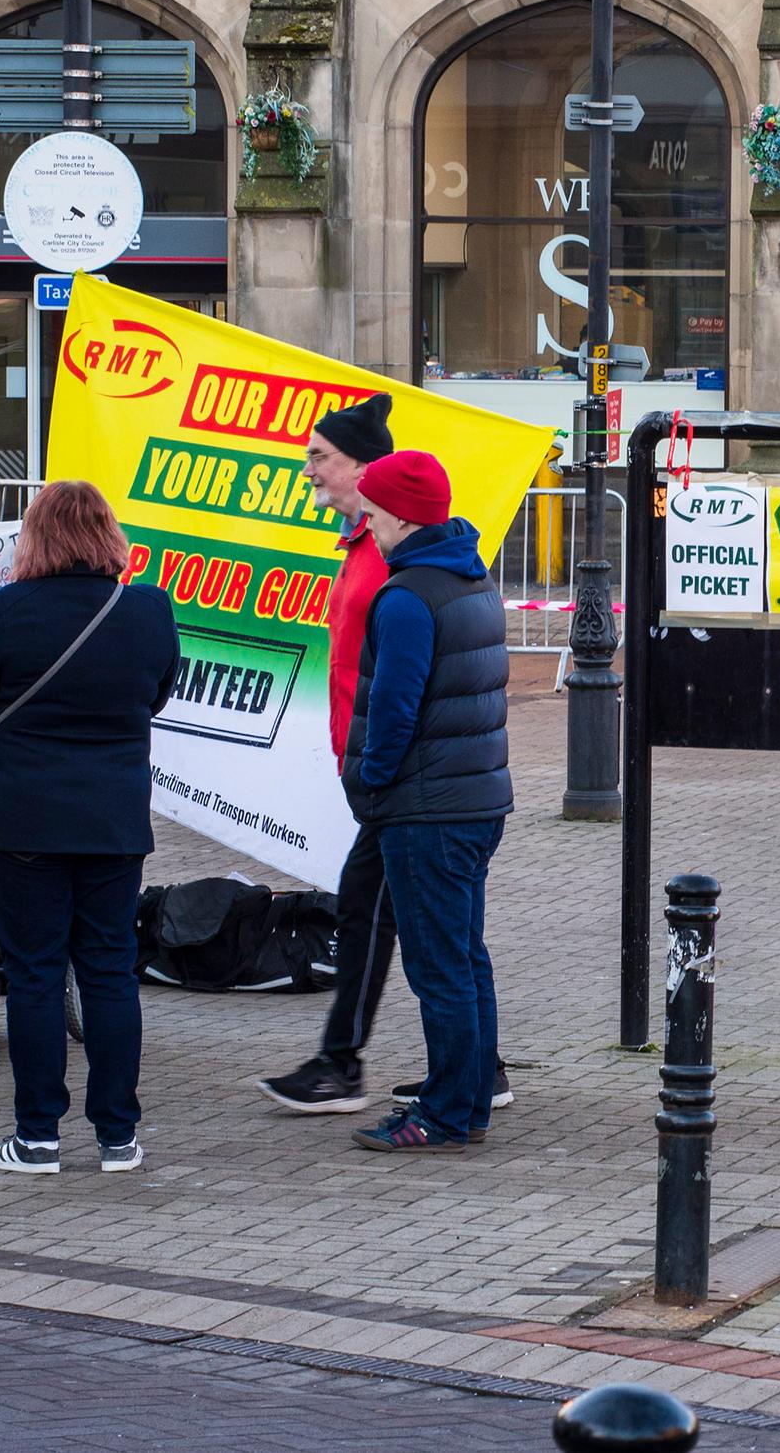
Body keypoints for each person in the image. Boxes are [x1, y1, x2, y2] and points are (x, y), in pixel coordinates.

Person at [257, 394, 515, 1118]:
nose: (307, 469)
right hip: (433, 787)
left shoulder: (401, 579)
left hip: (411, 789)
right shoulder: (445, 567)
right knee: (442, 941)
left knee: (424, 946)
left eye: (319, 457)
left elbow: (400, 694)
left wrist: (371, 774)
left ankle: (433, 1093)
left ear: (376, 485)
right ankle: (466, 1075)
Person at [0, 480, 177, 1175]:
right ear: (108, 534)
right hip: (112, 816)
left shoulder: (7, 610)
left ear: (35, 537)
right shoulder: (149, 610)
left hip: (22, 819)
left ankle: (36, 1137)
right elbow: (154, 697)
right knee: (109, 972)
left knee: (36, 975)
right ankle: (118, 1136)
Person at [339, 451, 512, 1152]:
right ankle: (467, 1102)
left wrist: (372, 779)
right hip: (474, 798)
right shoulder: (470, 577)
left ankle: (441, 1113)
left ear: (402, 515)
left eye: (374, 513)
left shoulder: (408, 595)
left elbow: (393, 704)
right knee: (465, 957)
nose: (368, 524)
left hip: (426, 806)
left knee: (439, 967)